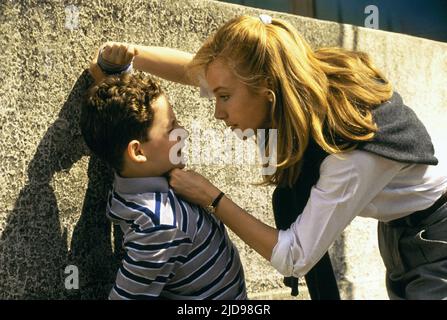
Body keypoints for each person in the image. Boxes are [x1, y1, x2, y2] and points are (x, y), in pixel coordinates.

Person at [89, 15, 447, 299]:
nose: (217, 112)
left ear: (267, 92)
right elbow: (196, 71)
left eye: (224, 98)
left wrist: (212, 198)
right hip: (399, 228)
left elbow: (295, 257)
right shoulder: (292, 80)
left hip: (436, 233)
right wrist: (129, 56)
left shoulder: (351, 150)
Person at [80, 71, 247, 300]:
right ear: (138, 152)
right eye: (171, 128)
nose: (184, 132)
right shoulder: (160, 225)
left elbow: (121, 121)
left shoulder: (130, 173)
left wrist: (107, 73)